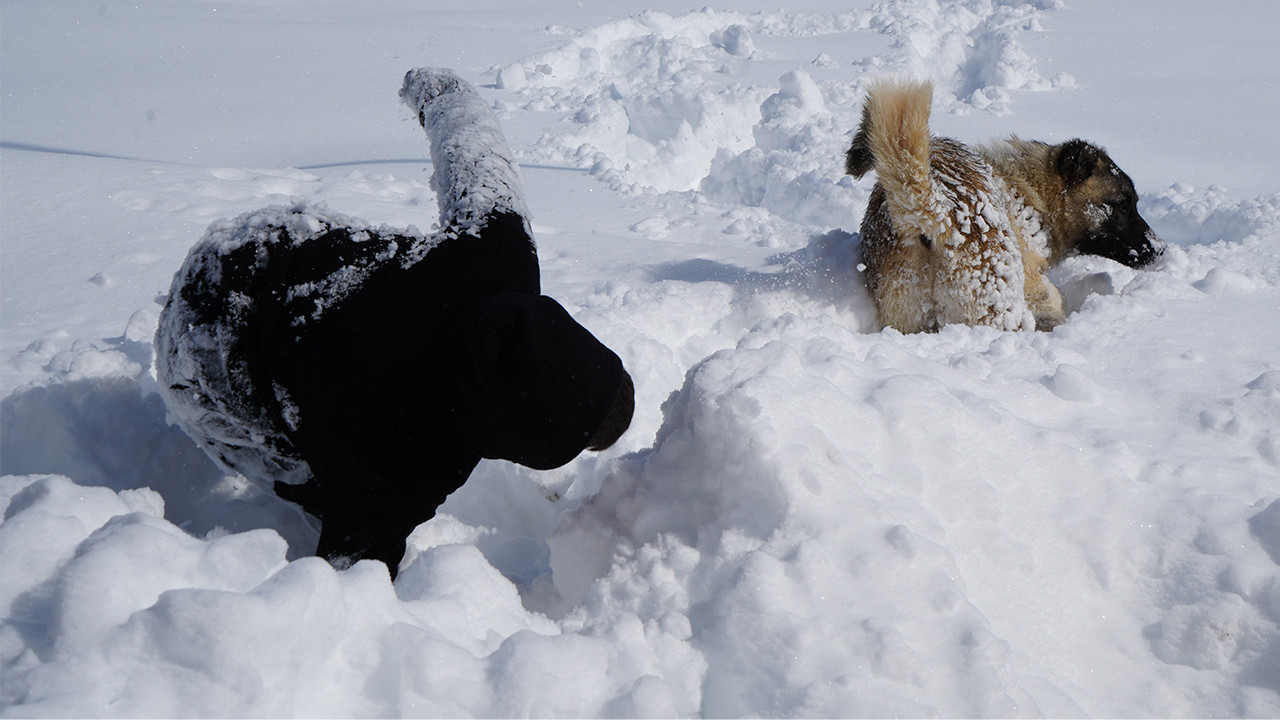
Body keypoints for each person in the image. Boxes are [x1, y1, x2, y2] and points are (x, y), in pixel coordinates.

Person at [155, 68, 634, 579]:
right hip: (203, 365)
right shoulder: (404, 467)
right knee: (314, 479)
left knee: (367, 273)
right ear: (527, 444)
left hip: (255, 245)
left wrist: (443, 94)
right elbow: (352, 578)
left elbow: (479, 159)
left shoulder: (504, 259)